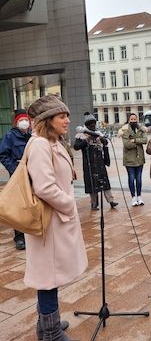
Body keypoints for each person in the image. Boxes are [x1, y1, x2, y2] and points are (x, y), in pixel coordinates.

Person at [25, 94, 88, 341]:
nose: (67, 120)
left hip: (54, 221)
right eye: (62, 116)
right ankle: (50, 333)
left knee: (50, 276)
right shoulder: (40, 144)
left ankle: (45, 325)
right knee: (48, 278)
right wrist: (69, 204)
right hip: (49, 222)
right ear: (48, 120)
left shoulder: (50, 142)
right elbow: (44, 187)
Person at [0, 109, 31, 250]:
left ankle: (31, 233)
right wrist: (14, 169)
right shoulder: (10, 136)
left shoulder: (31, 137)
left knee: (31, 204)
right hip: (18, 175)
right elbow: (3, 155)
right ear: (16, 122)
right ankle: (19, 237)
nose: (24, 122)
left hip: (32, 175)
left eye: (26, 120)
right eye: (21, 120)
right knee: (19, 206)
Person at [74, 112, 118, 210]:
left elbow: (105, 143)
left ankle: (111, 201)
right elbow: (76, 147)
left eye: (94, 123)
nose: (93, 125)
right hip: (89, 164)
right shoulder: (81, 134)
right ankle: (94, 203)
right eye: (90, 124)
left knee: (105, 183)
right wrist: (87, 139)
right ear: (86, 125)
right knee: (92, 184)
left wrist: (103, 140)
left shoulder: (98, 133)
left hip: (100, 163)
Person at [121, 113, 147, 207]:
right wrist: (137, 142)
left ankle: (139, 196)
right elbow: (126, 144)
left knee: (139, 179)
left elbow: (145, 140)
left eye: (134, 119)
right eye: (131, 119)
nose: (133, 121)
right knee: (131, 178)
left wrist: (134, 140)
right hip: (129, 159)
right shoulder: (124, 130)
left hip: (139, 158)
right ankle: (133, 197)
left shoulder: (141, 128)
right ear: (128, 120)